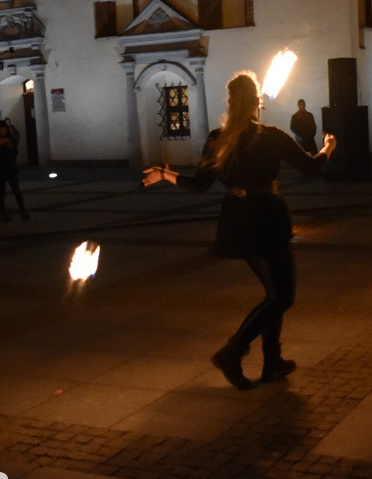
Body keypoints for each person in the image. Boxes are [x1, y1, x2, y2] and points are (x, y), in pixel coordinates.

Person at [142, 71, 336, 390]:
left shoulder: (218, 137)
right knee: (282, 296)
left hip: (238, 221)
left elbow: (200, 185)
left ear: (230, 101)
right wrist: (328, 147)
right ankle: (232, 352)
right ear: (256, 101)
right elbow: (312, 167)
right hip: (268, 220)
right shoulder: (271, 136)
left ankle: (272, 361)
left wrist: (164, 174)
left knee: (274, 294)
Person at [0, 119, 29, 221]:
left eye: (4, 129)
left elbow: (15, 152)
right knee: (1, 192)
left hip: (11, 169)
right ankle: (2, 213)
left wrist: (10, 146)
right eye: (0, 130)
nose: (2, 131)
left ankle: (23, 211)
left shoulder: (11, 139)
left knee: (16, 191)